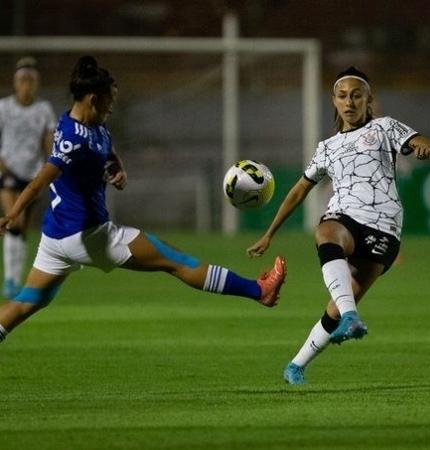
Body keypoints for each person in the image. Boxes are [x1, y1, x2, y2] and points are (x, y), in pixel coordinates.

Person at [0, 56, 286, 345]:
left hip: (55, 239)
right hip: (89, 235)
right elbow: (42, 178)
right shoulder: (72, 139)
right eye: (109, 101)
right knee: (178, 261)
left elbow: (106, 148)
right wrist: (13, 214)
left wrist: (117, 167)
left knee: (25, 303)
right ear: (92, 99)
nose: (112, 107)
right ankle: (259, 290)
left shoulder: (87, 124)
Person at [247, 66, 430, 385]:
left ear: (369, 99)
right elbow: (299, 191)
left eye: (356, 95)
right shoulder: (326, 147)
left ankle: (297, 363)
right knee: (326, 230)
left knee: (336, 308)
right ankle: (339, 330)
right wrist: (270, 233)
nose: (349, 102)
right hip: (345, 217)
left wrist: (428, 150)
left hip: (384, 226)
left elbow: (429, 144)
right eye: (342, 96)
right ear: (334, 101)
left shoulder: (385, 127)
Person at [0, 57, 56, 298]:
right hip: (8, 172)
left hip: (33, 175)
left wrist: (49, 170)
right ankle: (10, 281)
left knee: (22, 230)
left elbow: (49, 142)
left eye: (31, 80)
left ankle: (15, 279)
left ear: (37, 83)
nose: (27, 85)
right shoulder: (3, 107)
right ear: (15, 83)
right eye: (23, 80)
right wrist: (3, 168)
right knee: (15, 222)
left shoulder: (43, 109)